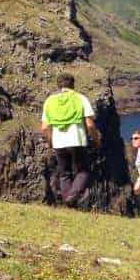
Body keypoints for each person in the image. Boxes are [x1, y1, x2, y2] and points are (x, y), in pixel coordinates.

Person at [41, 73, 101, 207]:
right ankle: (73, 196)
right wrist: (96, 140)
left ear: (58, 85)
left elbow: (44, 128)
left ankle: (69, 203)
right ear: (73, 85)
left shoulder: (49, 101)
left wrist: (50, 142)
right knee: (83, 171)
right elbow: (90, 125)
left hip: (59, 143)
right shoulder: (80, 98)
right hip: (77, 140)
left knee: (64, 174)